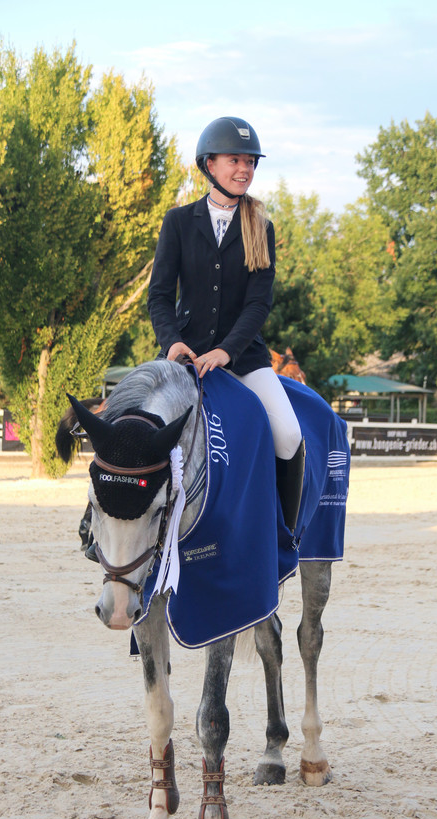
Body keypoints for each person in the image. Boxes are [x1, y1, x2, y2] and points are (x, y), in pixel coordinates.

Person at [147, 116, 304, 532]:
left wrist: (226, 351)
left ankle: (283, 535)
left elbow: (258, 303)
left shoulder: (261, 227)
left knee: (289, 435)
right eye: (235, 160)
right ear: (209, 164)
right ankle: (103, 527)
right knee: (134, 424)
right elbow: (159, 296)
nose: (244, 169)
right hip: (183, 355)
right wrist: (172, 342)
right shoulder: (178, 222)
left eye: (250, 162)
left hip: (244, 357)